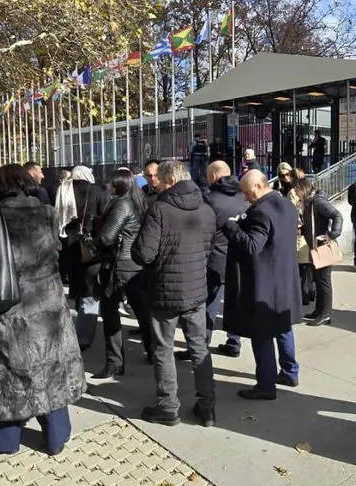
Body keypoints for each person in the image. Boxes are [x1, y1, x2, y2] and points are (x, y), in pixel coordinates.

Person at [0, 164, 84, 456]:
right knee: (49, 369)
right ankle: (56, 439)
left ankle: (6, 443)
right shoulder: (46, 212)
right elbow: (56, 252)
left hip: (4, 307)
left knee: (5, 374)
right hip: (47, 305)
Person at [132, 160, 217, 427]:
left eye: (157, 179)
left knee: (163, 349)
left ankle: (168, 406)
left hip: (165, 291)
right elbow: (208, 248)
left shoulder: (160, 209)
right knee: (199, 348)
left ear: (170, 182)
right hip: (195, 290)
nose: (152, 182)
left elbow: (143, 254)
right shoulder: (206, 208)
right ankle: (208, 407)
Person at [222, 170, 304, 400]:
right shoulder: (286, 204)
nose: (246, 199)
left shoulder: (260, 212)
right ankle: (290, 371)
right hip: (284, 279)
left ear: (259, 186)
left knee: (262, 334)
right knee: (284, 327)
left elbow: (251, 246)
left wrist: (232, 227)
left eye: (247, 193)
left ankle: (266, 386)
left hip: (265, 284)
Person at [93, 168, 146, 380]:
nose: (108, 186)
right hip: (134, 263)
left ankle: (115, 361)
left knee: (110, 311)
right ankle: (151, 349)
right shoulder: (137, 201)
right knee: (141, 309)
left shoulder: (121, 204)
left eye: (111, 183)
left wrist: (92, 238)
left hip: (118, 264)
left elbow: (107, 237)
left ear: (118, 185)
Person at [56, 165, 111, 354]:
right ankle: (83, 337)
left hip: (69, 247)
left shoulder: (64, 188)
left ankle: (80, 327)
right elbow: (106, 217)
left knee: (78, 287)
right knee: (90, 292)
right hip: (90, 248)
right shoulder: (97, 190)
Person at [205, 161, 249, 358]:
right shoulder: (243, 197)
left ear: (214, 176)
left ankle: (201, 342)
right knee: (234, 302)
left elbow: (204, 232)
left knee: (209, 304)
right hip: (239, 257)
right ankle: (234, 341)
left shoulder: (210, 200)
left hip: (215, 259)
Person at [295, 177, 343, 327]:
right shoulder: (311, 202)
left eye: (297, 190)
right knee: (318, 279)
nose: (296, 194)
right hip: (315, 245)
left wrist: (332, 234)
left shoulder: (317, 202)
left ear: (303, 189)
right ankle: (319, 309)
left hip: (322, 244)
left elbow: (337, 215)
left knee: (323, 280)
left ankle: (326, 313)